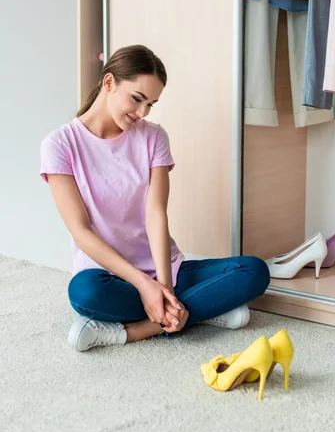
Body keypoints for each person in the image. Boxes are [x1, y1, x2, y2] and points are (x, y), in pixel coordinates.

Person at [40, 45, 270, 352]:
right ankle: (199, 311)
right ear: (109, 83)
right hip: (109, 276)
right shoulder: (59, 144)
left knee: (254, 271)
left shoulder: (154, 137)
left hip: (165, 270)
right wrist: (144, 286)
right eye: (137, 99)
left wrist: (164, 287)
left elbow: (156, 213)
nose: (143, 112)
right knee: (84, 294)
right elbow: (81, 233)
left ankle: (131, 331)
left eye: (151, 104)